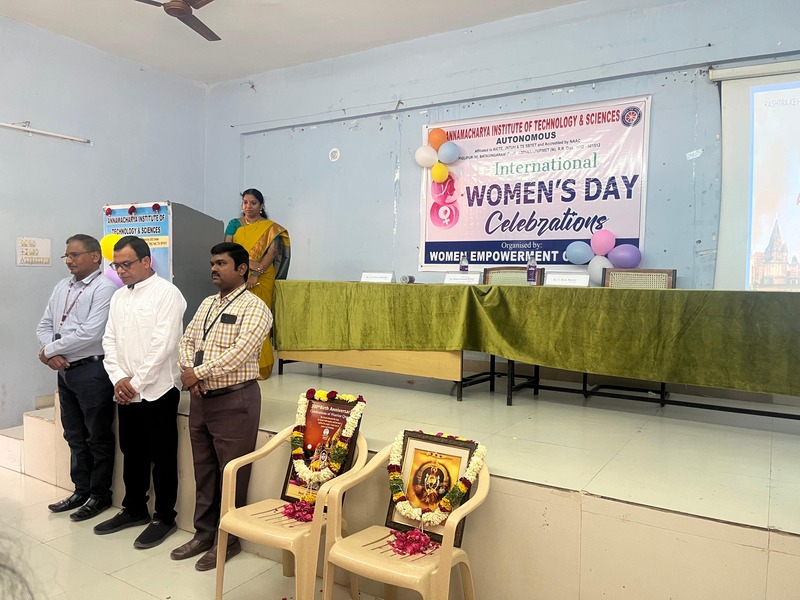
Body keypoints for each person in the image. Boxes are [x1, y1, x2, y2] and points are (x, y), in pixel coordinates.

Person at [170, 242, 271, 571]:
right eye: (212, 263)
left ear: (241, 269)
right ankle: (203, 534)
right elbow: (186, 340)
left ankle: (228, 540)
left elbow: (240, 352)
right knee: (205, 470)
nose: (214, 268)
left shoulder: (255, 308)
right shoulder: (206, 303)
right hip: (202, 399)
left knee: (232, 474)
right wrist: (190, 372)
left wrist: (197, 373)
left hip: (234, 400)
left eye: (222, 263)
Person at [95, 235, 186, 550]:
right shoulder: (119, 297)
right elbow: (109, 340)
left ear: (146, 261)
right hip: (126, 390)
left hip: (159, 390)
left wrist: (135, 382)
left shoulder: (167, 294)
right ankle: (134, 508)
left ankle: (165, 517)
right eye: (117, 265)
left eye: (127, 264)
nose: (121, 271)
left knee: (162, 457)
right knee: (132, 452)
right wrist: (119, 378)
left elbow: (164, 345)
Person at [36, 234, 117, 522]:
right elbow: (45, 324)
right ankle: (80, 490)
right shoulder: (62, 286)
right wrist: (51, 353)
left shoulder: (105, 288)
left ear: (95, 256)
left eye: (74, 255)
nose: (69, 261)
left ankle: (100, 495)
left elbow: (91, 333)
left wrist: (49, 351)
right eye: (66, 256)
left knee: (97, 436)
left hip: (92, 370)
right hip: (65, 370)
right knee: (73, 434)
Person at [224, 188, 289, 379]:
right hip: (238, 273)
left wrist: (256, 272)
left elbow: (272, 252)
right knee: (238, 319)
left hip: (263, 276)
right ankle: (238, 366)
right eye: (245, 202)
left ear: (261, 206)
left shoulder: (270, 228)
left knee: (259, 318)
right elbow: (228, 249)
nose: (248, 206)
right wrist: (247, 263)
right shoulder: (234, 224)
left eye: (253, 203)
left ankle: (262, 366)